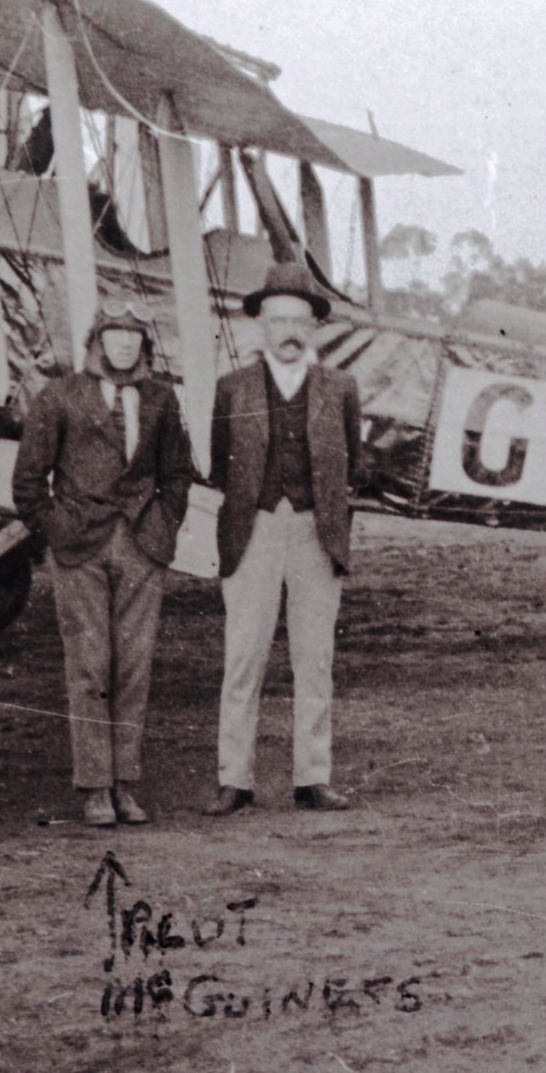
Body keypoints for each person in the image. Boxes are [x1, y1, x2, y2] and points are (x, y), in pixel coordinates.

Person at [10, 301, 196, 827]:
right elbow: (28, 482)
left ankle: (126, 784)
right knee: (90, 667)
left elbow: (178, 472)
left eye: (134, 336)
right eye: (115, 335)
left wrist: (162, 525)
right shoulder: (60, 396)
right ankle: (95, 787)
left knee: (133, 667)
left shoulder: (160, 399)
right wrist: (58, 530)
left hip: (141, 547)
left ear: (144, 344)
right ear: (97, 340)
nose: (124, 345)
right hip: (80, 548)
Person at [205, 264, 363, 816]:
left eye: (299, 319)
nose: (289, 329)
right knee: (243, 656)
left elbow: (353, 464)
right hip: (253, 529)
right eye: (278, 319)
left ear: (315, 326)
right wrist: (262, 508)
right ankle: (234, 780)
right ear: (260, 325)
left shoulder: (340, 388)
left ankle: (313, 778)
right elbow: (221, 465)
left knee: (314, 658)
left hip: (318, 531)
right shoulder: (233, 388)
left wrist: (320, 515)